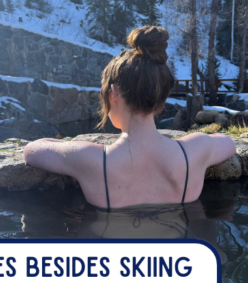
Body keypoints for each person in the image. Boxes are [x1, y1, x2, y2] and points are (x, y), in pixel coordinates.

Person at [22, 26, 236, 210]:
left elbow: (32, 150)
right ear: (161, 95)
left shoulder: (90, 159)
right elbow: (228, 144)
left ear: (114, 93)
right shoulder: (195, 150)